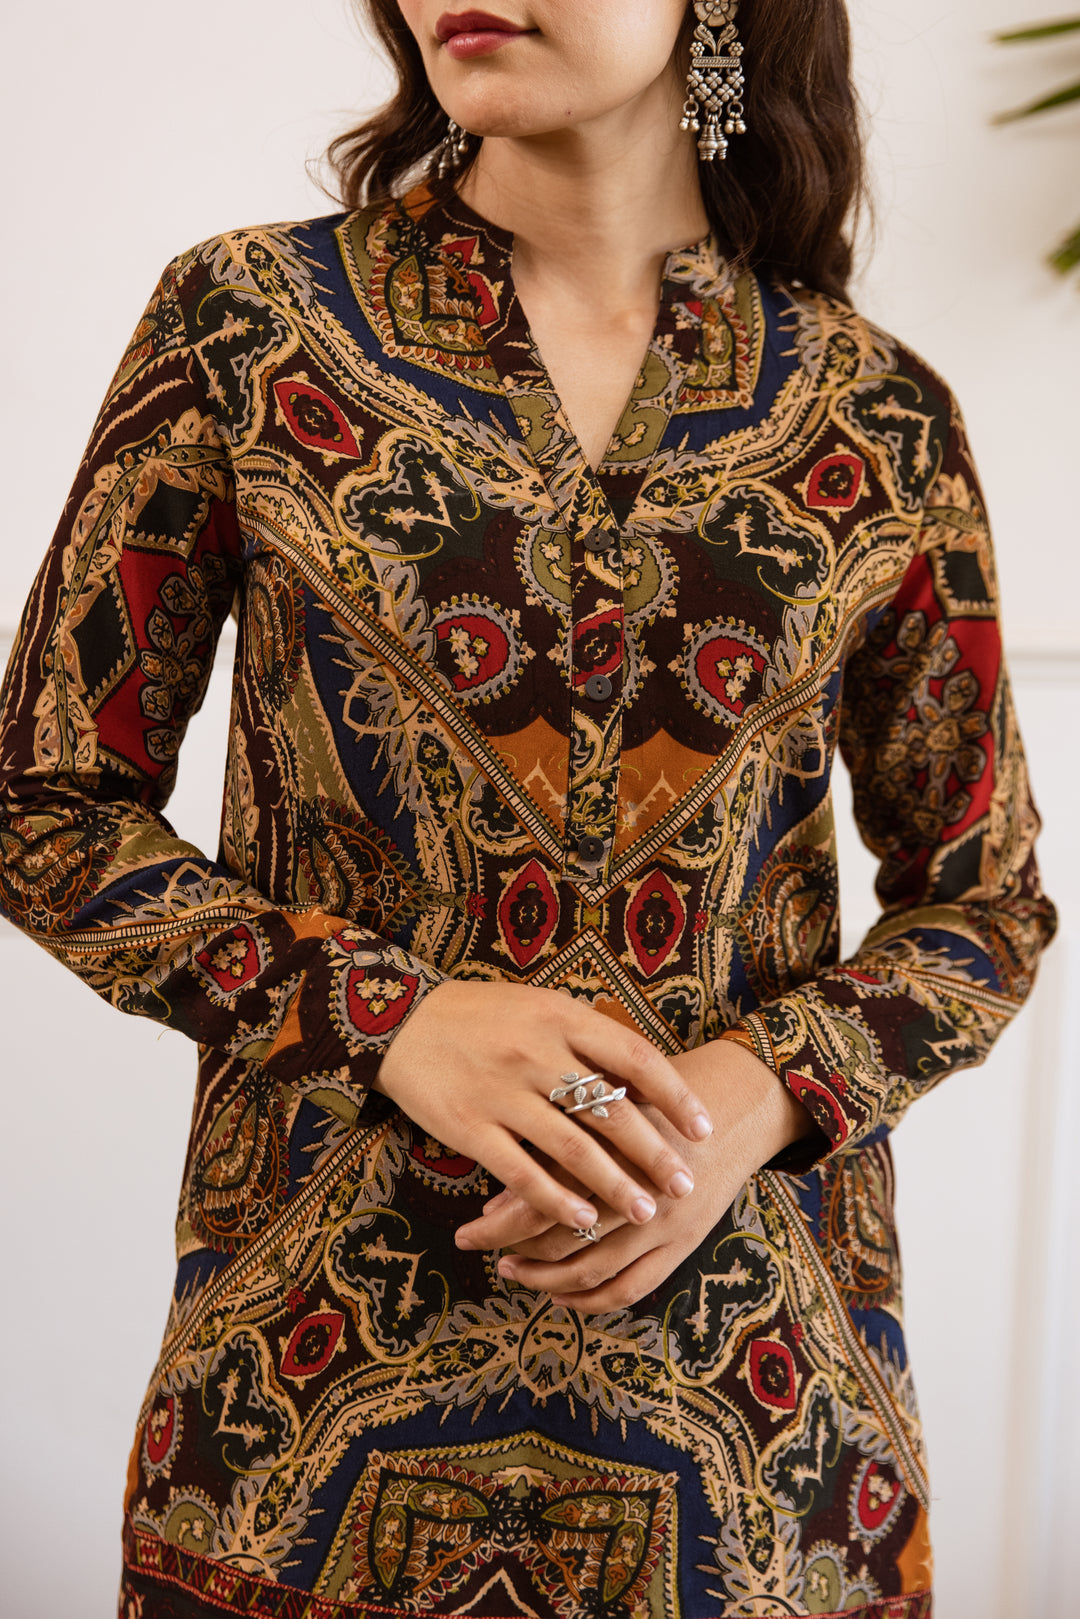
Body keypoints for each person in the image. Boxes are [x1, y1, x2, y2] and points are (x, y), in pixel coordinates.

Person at [0, 0, 1056, 1613]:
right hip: (301, 1430)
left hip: (763, 1456)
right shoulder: (251, 326)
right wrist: (383, 1018)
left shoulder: (876, 415)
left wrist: (761, 1092)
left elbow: (983, 902)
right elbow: (45, 802)